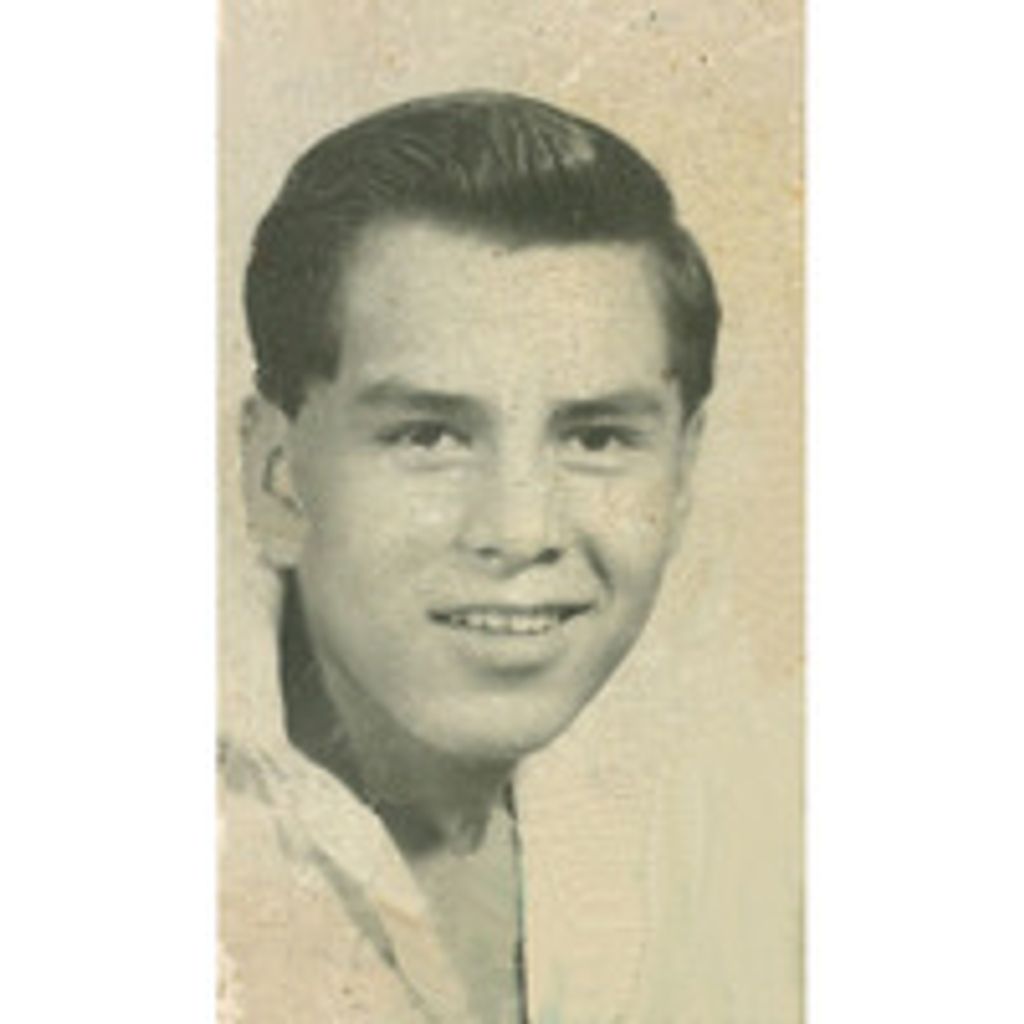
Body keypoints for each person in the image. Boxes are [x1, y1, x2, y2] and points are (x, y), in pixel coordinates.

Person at [219, 91, 746, 1023]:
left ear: (682, 471)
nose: (521, 529)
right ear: (276, 476)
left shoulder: (688, 839)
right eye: (428, 435)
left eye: (595, 438)